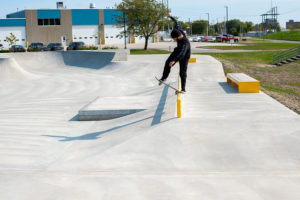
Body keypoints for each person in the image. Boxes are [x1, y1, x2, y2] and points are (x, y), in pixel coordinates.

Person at [159, 14, 191, 94]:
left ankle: (183, 89)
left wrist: (175, 61)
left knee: (182, 72)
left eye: (174, 39)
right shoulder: (177, 29)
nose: (174, 40)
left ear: (178, 37)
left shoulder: (185, 43)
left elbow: (182, 53)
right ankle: (164, 78)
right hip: (178, 50)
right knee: (168, 62)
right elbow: (177, 22)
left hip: (185, 55)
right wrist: (171, 17)